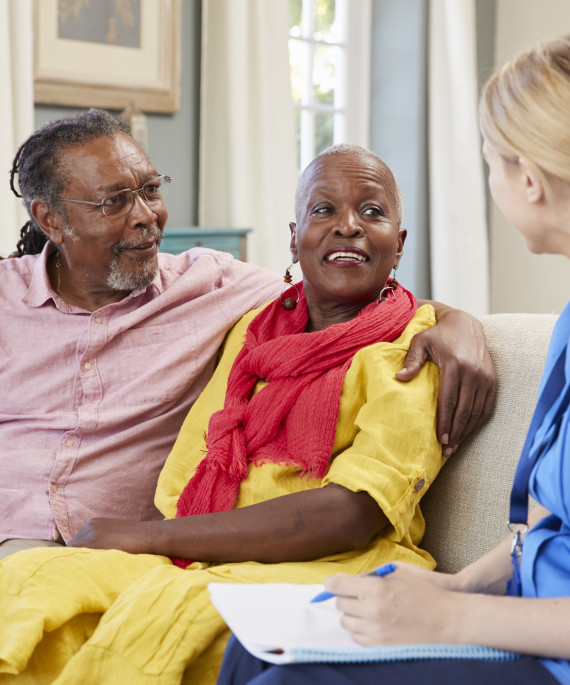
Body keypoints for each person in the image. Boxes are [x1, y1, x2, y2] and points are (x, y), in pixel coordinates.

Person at [3, 145, 447, 683]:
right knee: (34, 579)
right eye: (324, 211)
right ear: (293, 236)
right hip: (200, 549)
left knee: (153, 621)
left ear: (399, 246)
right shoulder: (255, 328)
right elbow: (187, 472)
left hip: (325, 565)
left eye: (372, 212)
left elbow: (354, 515)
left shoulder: (413, 350)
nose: (348, 227)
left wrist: (461, 323)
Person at [216, 33, 570, 685]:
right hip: (521, 615)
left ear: (527, 179)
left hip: (552, 653)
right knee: (255, 648)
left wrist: (450, 616)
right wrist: (459, 583)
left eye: (490, 161)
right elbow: (549, 523)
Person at [0, 109, 495, 558]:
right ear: (50, 219)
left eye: (150, 190)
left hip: (114, 552)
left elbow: (340, 288)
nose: (147, 216)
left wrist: (460, 321)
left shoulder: (210, 286)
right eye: (114, 202)